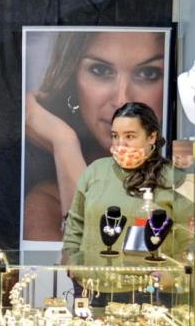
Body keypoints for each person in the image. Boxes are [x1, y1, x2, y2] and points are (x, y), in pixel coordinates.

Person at [24, 29, 166, 241]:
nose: (121, 100)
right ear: (73, 80)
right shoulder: (46, 203)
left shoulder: (187, 187)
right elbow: (96, 259)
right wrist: (64, 143)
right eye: (100, 70)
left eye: (148, 74)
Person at [61, 102, 185, 267]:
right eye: (115, 136)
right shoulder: (95, 171)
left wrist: (170, 275)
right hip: (92, 281)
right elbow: (74, 224)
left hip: (148, 285)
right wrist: (73, 264)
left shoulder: (174, 178)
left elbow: (188, 238)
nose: (120, 144)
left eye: (130, 136)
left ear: (152, 137)